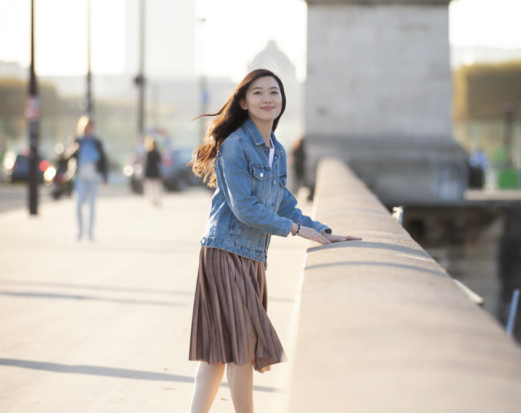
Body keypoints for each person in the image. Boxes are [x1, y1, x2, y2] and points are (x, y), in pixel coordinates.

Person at [187, 69, 362, 413]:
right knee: (238, 351)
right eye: (258, 93)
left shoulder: (277, 150)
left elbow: (284, 204)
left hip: (252, 257)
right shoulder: (235, 144)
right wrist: (295, 231)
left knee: (219, 355)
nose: (268, 99)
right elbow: (244, 208)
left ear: (282, 101)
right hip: (224, 251)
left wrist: (322, 231)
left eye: (274, 93)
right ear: (243, 101)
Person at [68, 116, 108, 241]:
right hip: (81, 176)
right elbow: (68, 157)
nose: (89, 129)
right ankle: (80, 231)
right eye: (86, 127)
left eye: (90, 127)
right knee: (79, 203)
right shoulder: (77, 141)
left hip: (94, 177)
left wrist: (105, 176)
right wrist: (73, 150)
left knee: (92, 206)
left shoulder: (97, 142)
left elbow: (103, 160)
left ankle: (90, 232)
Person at [144, 135, 163, 207]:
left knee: (151, 188)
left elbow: (147, 164)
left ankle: (154, 201)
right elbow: (160, 162)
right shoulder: (157, 153)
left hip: (151, 173)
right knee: (156, 188)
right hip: (155, 172)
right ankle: (157, 201)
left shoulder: (149, 153)